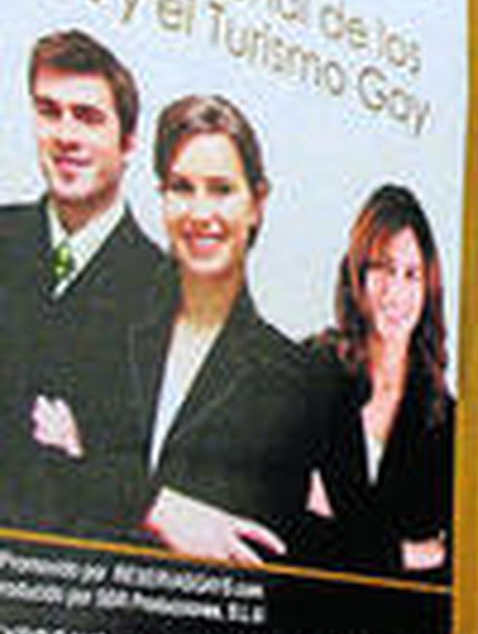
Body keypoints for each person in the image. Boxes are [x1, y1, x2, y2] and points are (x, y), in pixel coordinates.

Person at [33, 93, 363, 565]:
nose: (200, 212)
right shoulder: (94, 323)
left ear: (257, 203)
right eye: (182, 187)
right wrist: (155, 508)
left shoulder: (296, 382)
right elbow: (38, 478)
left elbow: (259, 549)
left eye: (221, 189)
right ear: (161, 197)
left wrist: (90, 465)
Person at [0, 29, 162, 531]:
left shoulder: (170, 293)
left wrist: (84, 460)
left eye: (88, 117)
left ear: (128, 141)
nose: (65, 135)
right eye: (50, 111)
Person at [310, 184, 454, 578]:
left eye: (412, 275)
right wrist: (404, 553)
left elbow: (452, 563)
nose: (396, 292)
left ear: (429, 290)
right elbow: (286, 527)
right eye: (383, 269)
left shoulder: (445, 419)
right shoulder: (313, 372)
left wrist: (335, 523)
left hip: (399, 631)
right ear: (358, 274)